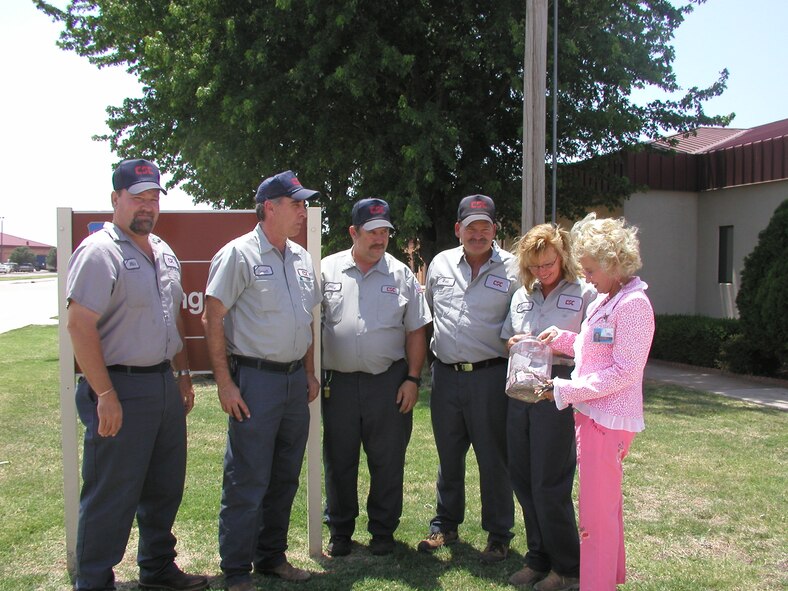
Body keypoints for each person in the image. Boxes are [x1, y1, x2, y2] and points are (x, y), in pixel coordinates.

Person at [66, 159, 208, 591]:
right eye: (137, 197)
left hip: (163, 384)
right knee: (112, 492)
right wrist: (104, 393)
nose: (147, 206)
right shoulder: (98, 252)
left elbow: (174, 316)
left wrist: (182, 372)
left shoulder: (162, 250)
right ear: (116, 200)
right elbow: (79, 324)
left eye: (153, 198)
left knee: (165, 486)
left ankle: (157, 568)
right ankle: (93, 580)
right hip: (120, 386)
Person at [202, 170, 321, 591]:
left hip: (292, 384)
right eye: (296, 204)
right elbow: (212, 317)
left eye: (304, 204)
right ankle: (236, 570)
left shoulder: (302, 258)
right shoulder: (238, 255)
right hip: (255, 381)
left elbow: (307, 320)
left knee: (285, 475)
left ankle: (271, 556)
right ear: (270, 207)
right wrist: (224, 383)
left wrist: (308, 372)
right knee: (247, 477)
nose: (303, 212)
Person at [536, 213, 655, 591]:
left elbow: (623, 372)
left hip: (608, 421)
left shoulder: (633, 305)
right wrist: (562, 339)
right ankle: (608, 578)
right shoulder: (610, 298)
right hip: (594, 417)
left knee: (595, 518)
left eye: (590, 269)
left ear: (613, 264)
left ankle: (597, 584)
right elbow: (597, 349)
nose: (586, 277)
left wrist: (563, 389)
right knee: (604, 510)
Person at [320, 198, 432, 557]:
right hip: (337, 384)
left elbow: (416, 330)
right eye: (372, 232)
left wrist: (412, 379)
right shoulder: (326, 270)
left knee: (387, 459)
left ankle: (383, 531)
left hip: (388, 382)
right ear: (354, 232)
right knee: (339, 458)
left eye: (385, 231)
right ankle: (340, 530)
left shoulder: (401, 275)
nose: (380, 238)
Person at [418, 194, 519, 563]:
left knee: (494, 458)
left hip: (490, 376)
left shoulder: (513, 268)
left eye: (485, 227)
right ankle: (444, 525)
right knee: (449, 456)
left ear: (495, 230)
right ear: (457, 229)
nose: (478, 234)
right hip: (445, 377)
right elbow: (427, 312)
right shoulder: (441, 264)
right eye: (471, 227)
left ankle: (498, 534)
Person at [501, 224, 595, 591]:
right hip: (520, 395)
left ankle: (568, 567)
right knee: (522, 479)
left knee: (549, 484)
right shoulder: (522, 294)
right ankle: (538, 558)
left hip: (555, 397)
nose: (543, 272)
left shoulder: (584, 293)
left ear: (562, 257)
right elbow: (507, 334)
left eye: (549, 264)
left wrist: (559, 347)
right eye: (536, 266)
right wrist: (513, 341)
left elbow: (592, 348)